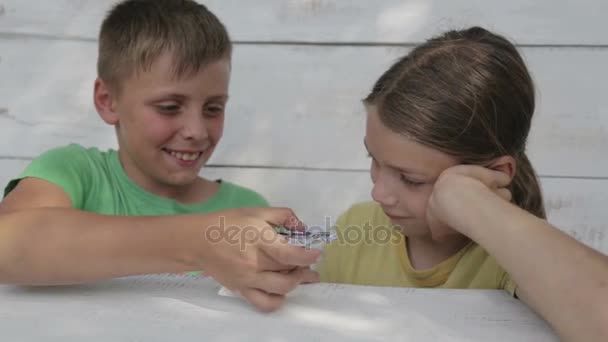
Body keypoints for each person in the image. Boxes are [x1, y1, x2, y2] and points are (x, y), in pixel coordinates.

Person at [0, 0, 320, 312]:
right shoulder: (73, 172)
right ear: (108, 100)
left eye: (213, 108)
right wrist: (198, 243)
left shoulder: (247, 207)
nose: (196, 130)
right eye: (169, 107)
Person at [317, 27, 608, 341]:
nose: (378, 193)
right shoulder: (356, 228)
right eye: (372, 158)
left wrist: (470, 204)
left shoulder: (509, 263)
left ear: (494, 172)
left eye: (411, 180)